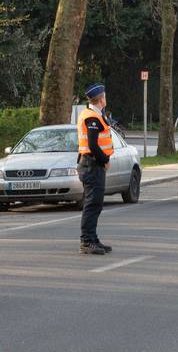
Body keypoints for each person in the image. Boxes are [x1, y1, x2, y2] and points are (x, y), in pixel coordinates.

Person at [76, 83, 113, 255]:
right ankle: (87, 241)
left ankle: (93, 238)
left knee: (96, 204)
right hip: (92, 165)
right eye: (104, 96)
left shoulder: (95, 114)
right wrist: (104, 159)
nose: (106, 98)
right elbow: (92, 144)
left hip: (92, 164)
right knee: (92, 204)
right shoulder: (92, 117)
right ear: (101, 99)